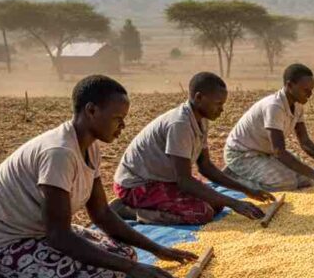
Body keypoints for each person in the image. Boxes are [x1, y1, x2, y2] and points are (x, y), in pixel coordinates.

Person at [0, 75, 197, 278]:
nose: (122, 126)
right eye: (117, 119)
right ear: (91, 110)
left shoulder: (89, 146)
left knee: (124, 254)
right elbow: (58, 236)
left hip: (35, 231)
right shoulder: (59, 153)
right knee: (107, 277)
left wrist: (157, 249)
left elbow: (101, 214)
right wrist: (132, 270)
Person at [110, 72, 271, 225]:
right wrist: (235, 203)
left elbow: (205, 167)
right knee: (201, 212)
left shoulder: (201, 119)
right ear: (199, 98)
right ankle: (128, 211)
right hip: (136, 185)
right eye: (218, 104)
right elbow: (184, 181)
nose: (221, 110)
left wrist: (248, 190)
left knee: (216, 204)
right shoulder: (180, 125)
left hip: (162, 179)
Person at [222, 63, 314, 192]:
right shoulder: (274, 107)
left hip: (265, 152)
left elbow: (305, 142)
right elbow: (279, 152)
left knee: (305, 179)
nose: (310, 94)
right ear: (290, 85)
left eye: (311, 90)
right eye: (306, 90)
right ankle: (232, 178)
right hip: (242, 153)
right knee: (285, 183)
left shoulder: (298, 105)